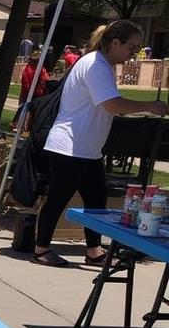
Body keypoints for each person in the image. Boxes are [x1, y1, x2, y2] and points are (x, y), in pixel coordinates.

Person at [33, 20, 169, 267]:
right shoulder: (96, 65)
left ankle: (94, 250)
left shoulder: (101, 64)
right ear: (115, 42)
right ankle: (41, 249)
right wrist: (149, 106)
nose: (133, 54)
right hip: (70, 146)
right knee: (58, 199)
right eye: (131, 47)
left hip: (87, 148)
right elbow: (112, 104)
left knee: (96, 200)